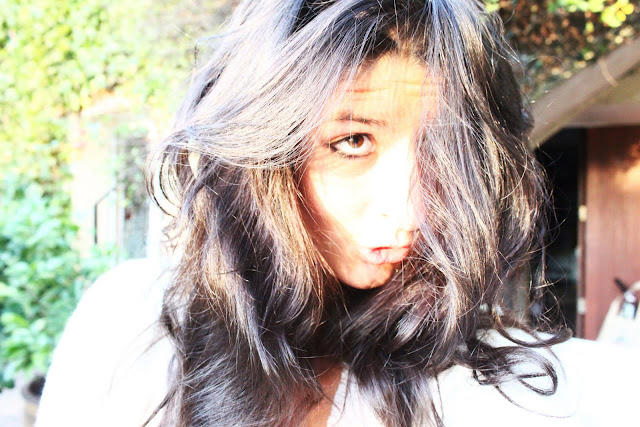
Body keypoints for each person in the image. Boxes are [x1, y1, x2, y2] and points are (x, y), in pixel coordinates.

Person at [35, 1, 640, 426]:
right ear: (265, 152)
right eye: (353, 141)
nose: (413, 210)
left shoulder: (491, 383)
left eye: (443, 153)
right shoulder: (131, 326)